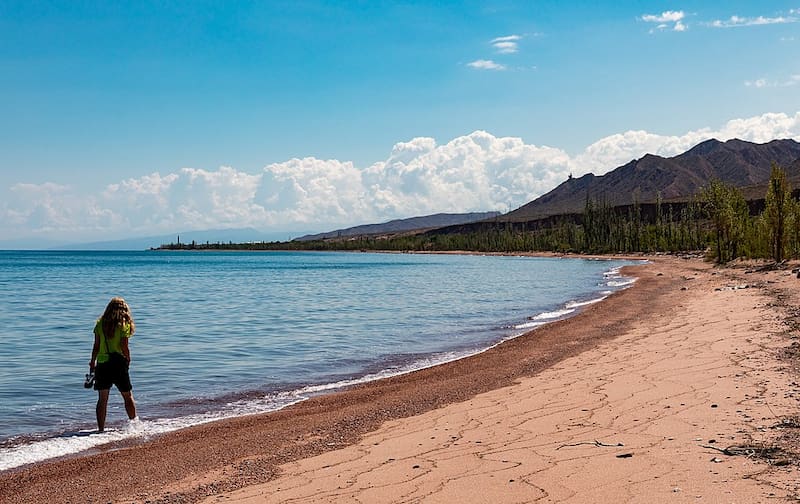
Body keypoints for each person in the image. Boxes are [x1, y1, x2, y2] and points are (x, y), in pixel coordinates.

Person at [89, 296, 138, 432]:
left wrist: (93, 361)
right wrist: (128, 359)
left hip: (103, 363)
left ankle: (100, 429)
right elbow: (124, 346)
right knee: (127, 396)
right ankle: (134, 425)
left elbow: (96, 346)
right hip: (118, 364)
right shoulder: (123, 324)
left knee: (102, 399)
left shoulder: (100, 324)